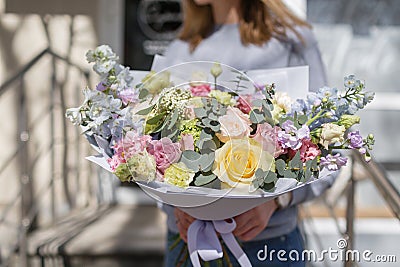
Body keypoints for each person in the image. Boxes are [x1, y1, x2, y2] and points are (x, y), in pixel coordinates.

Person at [160, 0, 334, 266]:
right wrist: (175, 207)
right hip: (187, 246)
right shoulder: (179, 49)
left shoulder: (291, 42)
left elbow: (328, 144)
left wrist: (278, 199)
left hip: (269, 248)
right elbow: (153, 149)